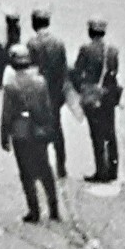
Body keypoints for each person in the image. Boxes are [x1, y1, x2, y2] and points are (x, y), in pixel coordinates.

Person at [0, 45, 60, 223]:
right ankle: (54, 208)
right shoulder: (40, 82)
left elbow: (7, 113)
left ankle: (34, 210)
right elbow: (47, 108)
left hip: (21, 131)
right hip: (39, 129)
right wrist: (50, 128)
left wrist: (4, 135)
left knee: (26, 173)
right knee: (45, 169)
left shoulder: (11, 85)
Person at [70, 19, 122, 183]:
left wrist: (82, 90)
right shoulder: (112, 50)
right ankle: (113, 170)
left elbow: (77, 73)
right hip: (108, 94)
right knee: (111, 132)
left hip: (93, 95)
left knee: (97, 134)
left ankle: (101, 171)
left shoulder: (85, 50)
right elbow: (114, 72)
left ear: (91, 32)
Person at [27, 9, 69, 179]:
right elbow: (64, 71)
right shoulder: (58, 43)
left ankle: (41, 166)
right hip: (55, 93)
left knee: (37, 130)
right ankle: (61, 166)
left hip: (38, 94)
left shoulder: (31, 44)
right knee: (57, 129)